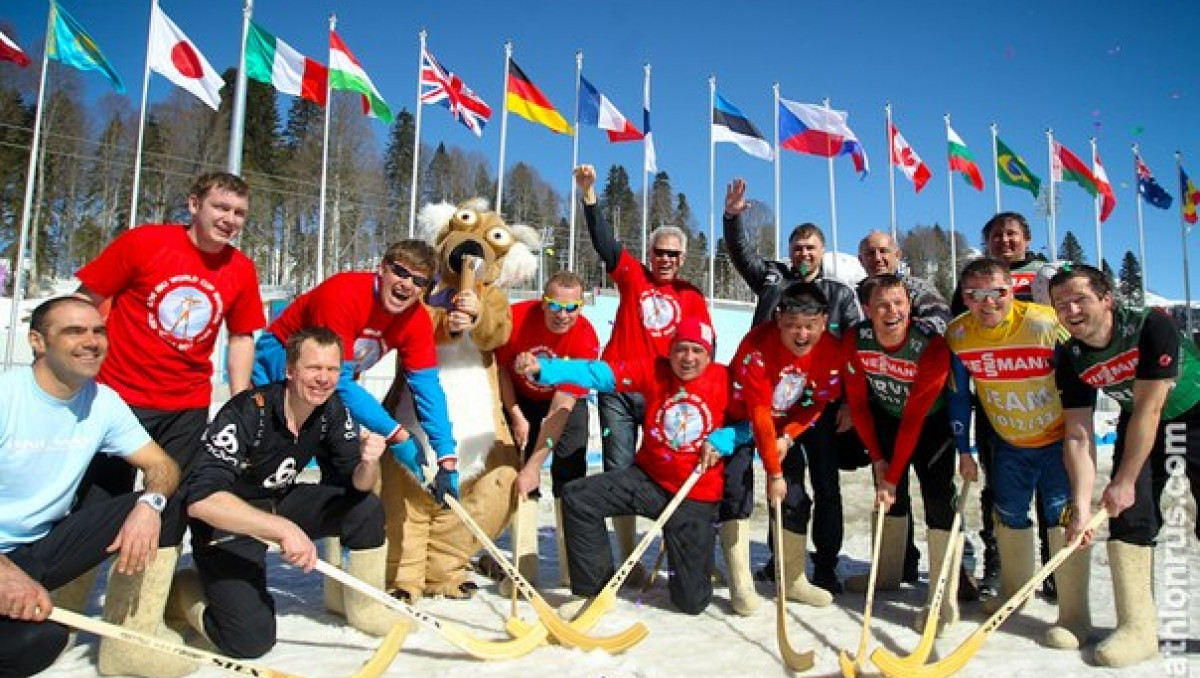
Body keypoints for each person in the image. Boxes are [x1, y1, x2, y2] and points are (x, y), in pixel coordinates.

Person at [73, 171, 265, 677]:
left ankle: (132, 628)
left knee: (167, 509)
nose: (229, 220)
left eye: (239, 213)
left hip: (185, 404)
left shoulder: (241, 270)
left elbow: (242, 335)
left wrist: (241, 398)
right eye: (220, 207)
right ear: (194, 204)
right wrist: (81, 360)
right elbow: (88, 295)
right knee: (97, 503)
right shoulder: (145, 242)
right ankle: (61, 612)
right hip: (118, 399)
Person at [176, 328, 406, 659]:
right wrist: (284, 529)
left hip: (278, 502)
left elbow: (355, 485)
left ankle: (363, 606)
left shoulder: (332, 410)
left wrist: (370, 463)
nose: (324, 379)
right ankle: (185, 592)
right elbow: (201, 502)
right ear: (290, 370)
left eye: (332, 370)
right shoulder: (247, 411)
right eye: (314, 368)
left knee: (365, 509)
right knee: (249, 641)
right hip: (229, 521)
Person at [0, 297, 186, 678]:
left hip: (36, 550)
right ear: (37, 341)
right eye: (74, 331)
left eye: (98, 331)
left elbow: (162, 465)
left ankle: (132, 637)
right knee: (25, 648)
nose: (91, 341)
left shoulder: (102, 402)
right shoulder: (7, 396)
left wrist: (149, 505)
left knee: (45, 641)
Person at [518, 318, 730, 615]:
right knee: (579, 497)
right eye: (681, 349)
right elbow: (600, 374)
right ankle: (593, 591)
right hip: (649, 480)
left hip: (694, 493)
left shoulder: (724, 379)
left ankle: (688, 554)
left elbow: (754, 421)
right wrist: (546, 370)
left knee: (691, 602)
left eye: (697, 351)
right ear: (670, 352)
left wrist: (727, 437)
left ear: (709, 355)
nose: (688, 358)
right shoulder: (656, 370)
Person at [1049, 264, 1200, 667]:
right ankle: (1138, 628)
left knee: (1128, 492)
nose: (1071, 309)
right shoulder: (1071, 355)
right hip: (1139, 421)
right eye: (1061, 303)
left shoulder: (1152, 324)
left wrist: (1126, 479)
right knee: (1129, 518)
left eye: (1080, 298)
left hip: (1192, 410)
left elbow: (1152, 407)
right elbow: (1079, 434)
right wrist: (1081, 508)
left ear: (1106, 299)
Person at [945, 258, 1090, 650]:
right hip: (1008, 441)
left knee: (1063, 516)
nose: (987, 303)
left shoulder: (1044, 324)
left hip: (1058, 440)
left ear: (1012, 290)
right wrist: (964, 450)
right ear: (964, 297)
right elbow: (959, 397)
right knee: (1008, 515)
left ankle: (1075, 614)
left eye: (997, 293)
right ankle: (1015, 594)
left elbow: (1083, 377)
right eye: (975, 295)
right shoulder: (958, 334)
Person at [723, 177, 860, 594]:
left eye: (811, 247)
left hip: (815, 408)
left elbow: (853, 352)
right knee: (785, 482)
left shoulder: (838, 294)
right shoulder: (772, 280)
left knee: (826, 485)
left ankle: (826, 564)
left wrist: (850, 403)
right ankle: (782, 561)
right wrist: (732, 217)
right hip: (769, 397)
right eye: (797, 247)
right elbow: (741, 254)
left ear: (822, 251)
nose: (803, 253)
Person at [576, 164, 711, 570]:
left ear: (683, 258)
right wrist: (589, 196)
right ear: (649, 253)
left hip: (660, 391)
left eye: (673, 253)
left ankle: (678, 543)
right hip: (618, 388)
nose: (666, 259)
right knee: (619, 469)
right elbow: (605, 244)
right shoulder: (633, 276)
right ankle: (627, 555)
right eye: (660, 252)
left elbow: (705, 350)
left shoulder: (692, 296)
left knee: (667, 467)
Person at [252, 240, 458, 503]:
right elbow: (336, 380)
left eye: (419, 281)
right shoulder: (342, 293)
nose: (407, 284)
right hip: (282, 366)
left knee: (349, 468)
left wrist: (447, 457)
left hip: (333, 386)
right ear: (382, 269)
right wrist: (397, 434)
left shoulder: (416, 320)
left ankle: (338, 534)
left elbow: (427, 386)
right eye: (401, 272)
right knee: (277, 459)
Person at [841, 274, 972, 634]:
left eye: (898, 303)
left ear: (909, 306)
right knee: (888, 500)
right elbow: (858, 404)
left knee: (937, 500)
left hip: (930, 422)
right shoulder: (857, 338)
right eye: (882, 305)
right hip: (885, 415)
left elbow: (915, 415)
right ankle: (886, 575)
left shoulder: (930, 343)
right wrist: (879, 461)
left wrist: (894, 474)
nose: (891, 311)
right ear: (867, 309)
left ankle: (942, 593)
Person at [949, 212, 1054, 598]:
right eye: (995, 235)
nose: (1004, 241)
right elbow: (959, 329)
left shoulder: (1045, 274)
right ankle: (1001, 565)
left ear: (1026, 238)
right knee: (1000, 491)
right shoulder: (974, 279)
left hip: (1044, 403)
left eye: (1011, 234)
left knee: (1053, 493)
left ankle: (1054, 567)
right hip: (997, 403)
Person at [724, 282, 846, 615]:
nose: (801, 334)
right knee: (738, 490)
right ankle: (740, 581)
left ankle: (791, 579)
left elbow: (815, 405)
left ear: (823, 321)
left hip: (779, 429)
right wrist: (773, 471)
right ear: (779, 320)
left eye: (809, 326)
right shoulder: (757, 347)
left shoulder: (832, 351)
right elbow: (759, 412)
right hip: (737, 420)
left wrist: (789, 436)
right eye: (793, 326)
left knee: (794, 498)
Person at [495, 271, 600, 587]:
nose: (563, 315)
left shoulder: (585, 338)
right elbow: (500, 369)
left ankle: (572, 567)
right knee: (516, 472)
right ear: (543, 302)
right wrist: (515, 414)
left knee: (568, 475)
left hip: (563, 404)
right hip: (519, 396)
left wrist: (535, 464)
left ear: (581, 307)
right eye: (555, 305)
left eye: (572, 308)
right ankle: (523, 566)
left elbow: (561, 408)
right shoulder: (516, 318)